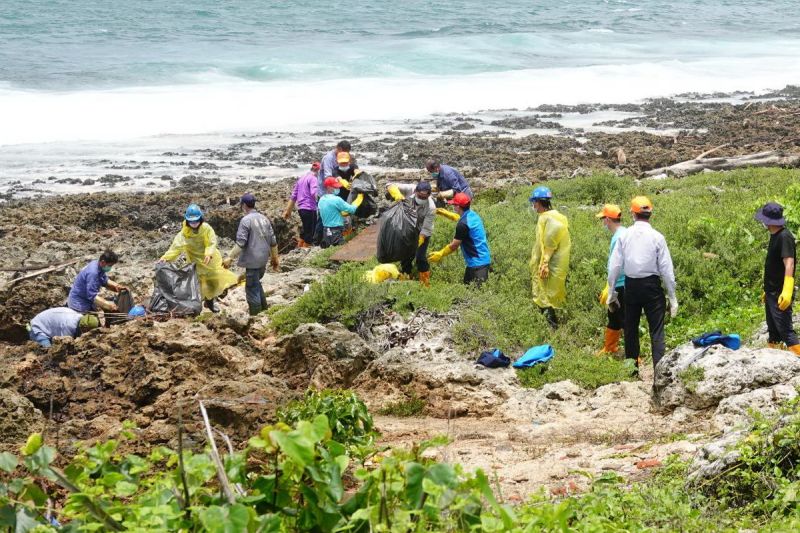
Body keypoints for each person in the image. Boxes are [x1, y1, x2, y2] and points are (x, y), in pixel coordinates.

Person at [607, 196, 677, 372]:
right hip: (652, 287)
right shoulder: (658, 237)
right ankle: (659, 373)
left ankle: (632, 372)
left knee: (630, 330)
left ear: (632, 214)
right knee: (657, 331)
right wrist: (672, 297)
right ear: (650, 213)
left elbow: (614, 266)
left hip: (631, 287)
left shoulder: (625, 236)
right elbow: (667, 270)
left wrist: (611, 292)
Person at [159, 203, 239, 313]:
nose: (194, 223)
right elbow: (176, 246)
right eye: (191, 221)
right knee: (196, 286)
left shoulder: (206, 229)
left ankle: (210, 303)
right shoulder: (185, 232)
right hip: (195, 262)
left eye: (196, 221)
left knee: (213, 283)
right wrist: (166, 257)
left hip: (209, 261)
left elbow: (211, 242)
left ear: (200, 218)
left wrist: (208, 253)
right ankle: (197, 306)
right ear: (187, 221)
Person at [223, 193, 279, 316]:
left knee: (251, 289)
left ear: (243, 205)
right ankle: (265, 311)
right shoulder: (264, 219)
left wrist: (230, 258)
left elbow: (241, 243)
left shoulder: (245, 220)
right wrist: (275, 259)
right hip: (263, 260)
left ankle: (256, 316)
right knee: (256, 284)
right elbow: (273, 242)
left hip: (253, 262)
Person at [755, 202, 800, 355]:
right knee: (773, 331)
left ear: (768, 221)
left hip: (780, 293)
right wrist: (766, 290)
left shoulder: (784, 236)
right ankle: (774, 359)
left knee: (785, 331)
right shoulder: (774, 236)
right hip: (771, 292)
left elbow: (789, 263)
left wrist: (786, 290)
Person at [528, 186, 571, 328]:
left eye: (534, 202)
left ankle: (552, 328)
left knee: (545, 296)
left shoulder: (549, 218)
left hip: (549, 264)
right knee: (545, 295)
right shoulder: (553, 216)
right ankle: (549, 326)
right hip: (549, 263)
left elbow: (549, 243)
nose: (533, 205)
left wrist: (544, 262)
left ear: (539, 202)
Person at [428, 192, 491, 286]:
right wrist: (447, 214)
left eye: (454, 204)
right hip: (480, 261)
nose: (453, 206)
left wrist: (440, 254)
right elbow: (462, 219)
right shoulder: (473, 215)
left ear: (458, 206)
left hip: (477, 265)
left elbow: (454, 246)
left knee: (477, 296)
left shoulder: (462, 225)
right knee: (466, 293)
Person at [386, 181, 436, 286]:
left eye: (424, 197)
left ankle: (425, 282)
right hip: (408, 227)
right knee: (405, 254)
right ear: (415, 191)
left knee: (420, 257)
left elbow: (426, 228)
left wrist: (419, 240)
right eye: (420, 196)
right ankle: (406, 276)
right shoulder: (409, 188)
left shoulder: (431, 207)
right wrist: (397, 195)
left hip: (422, 231)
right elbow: (389, 185)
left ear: (429, 195)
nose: (422, 199)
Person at [596, 204, 627, 355]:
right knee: (614, 315)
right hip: (621, 282)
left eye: (603, 219)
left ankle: (632, 353)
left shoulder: (619, 236)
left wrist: (611, 288)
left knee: (624, 318)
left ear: (608, 219)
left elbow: (615, 265)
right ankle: (610, 348)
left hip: (621, 283)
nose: (603, 223)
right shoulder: (624, 232)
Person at [315, 140, 352, 243]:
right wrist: (331, 195)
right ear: (339, 149)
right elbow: (328, 177)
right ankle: (317, 241)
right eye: (344, 152)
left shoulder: (343, 157)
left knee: (336, 214)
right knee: (323, 217)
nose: (345, 154)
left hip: (337, 189)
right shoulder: (328, 158)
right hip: (325, 192)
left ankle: (334, 237)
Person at [317, 177, 363, 248]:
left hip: (326, 231)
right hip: (336, 231)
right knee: (342, 250)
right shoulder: (336, 200)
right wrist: (359, 198)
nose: (337, 189)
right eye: (335, 187)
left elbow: (330, 212)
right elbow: (351, 209)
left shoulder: (321, 200)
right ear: (329, 187)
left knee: (329, 250)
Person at [283, 162, 320, 247]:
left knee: (305, 230)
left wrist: (287, 211)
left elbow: (293, 196)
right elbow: (314, 192)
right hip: (310, 209)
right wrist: (321, 203)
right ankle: (304, 253)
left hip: (301, 209)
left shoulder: (301, 179)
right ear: (318, 171)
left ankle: (298, 249)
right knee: (310, 233)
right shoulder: (313, 178)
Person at [27, 307, 99, 348]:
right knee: (47, 350)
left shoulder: (79, 317)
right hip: (37, 328)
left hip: (47, 324)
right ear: (84, 328)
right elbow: (63, 343)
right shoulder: (69, 326)